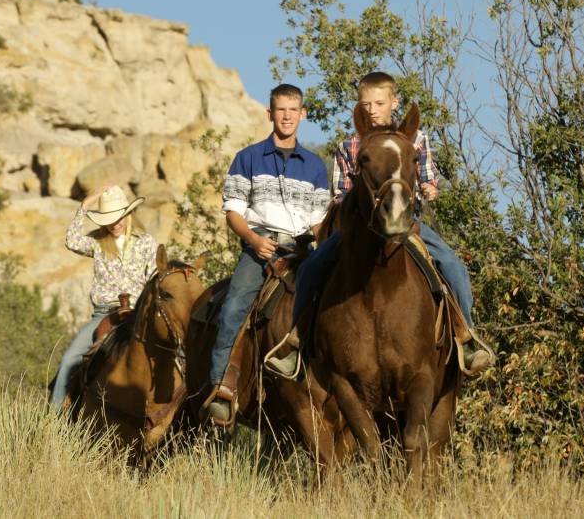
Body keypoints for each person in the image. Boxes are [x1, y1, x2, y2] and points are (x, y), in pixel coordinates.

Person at [265, 71, 493, 377]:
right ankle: (296, 339)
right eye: (366, 104)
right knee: (311, 267)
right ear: (359, 108)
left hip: (407, 225)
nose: (372, 109)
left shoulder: (416, 139)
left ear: (394, 102)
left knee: (453, 265)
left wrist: (430, 188)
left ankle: (467, 336)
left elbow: (428, 179)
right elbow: (341, 194)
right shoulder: (350, 146)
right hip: (359, 230)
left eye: (379, 103)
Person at [203, 83, 330, 423]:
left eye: (293, 110)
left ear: (303, 115)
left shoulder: (316, 166)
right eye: (281, 110)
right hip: (260, 244)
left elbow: (319, 220)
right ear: (270, 113)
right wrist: (253, 241)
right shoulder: (248, 158)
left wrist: (323, 245)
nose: (287, 116)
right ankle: (222, 387)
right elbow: (233, 212)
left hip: (302, 248)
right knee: (234, 304)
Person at [50, 184, 158, 410]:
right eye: (109, 219)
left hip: (138, 313)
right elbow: (71, 240)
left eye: (119, 217)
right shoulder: (97, 242)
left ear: (129, 214)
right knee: (70, 359)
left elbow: (154, 277)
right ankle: (53, 418)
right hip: (104, 314)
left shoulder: (146, 242)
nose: (115, 224)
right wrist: (85, 204)